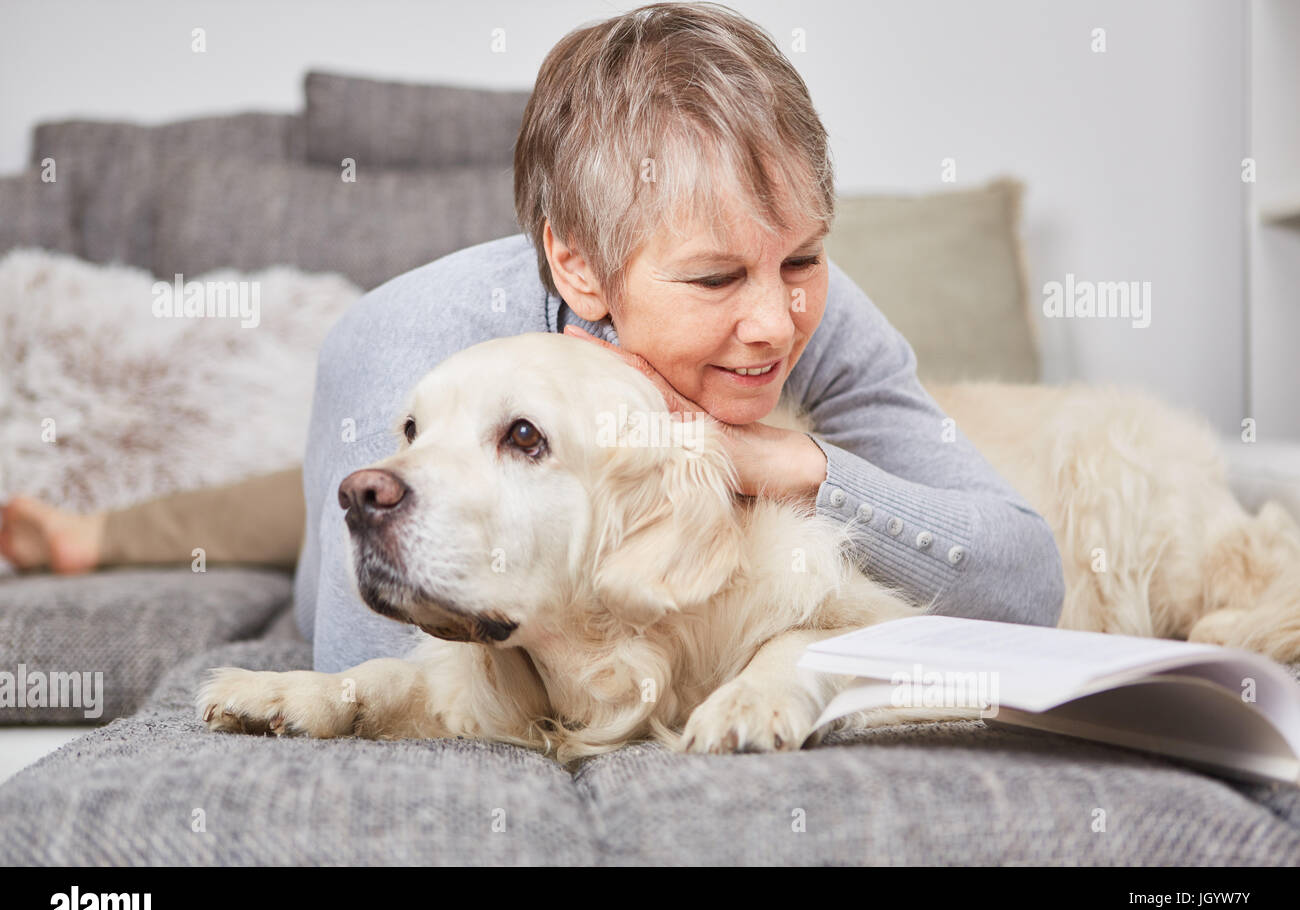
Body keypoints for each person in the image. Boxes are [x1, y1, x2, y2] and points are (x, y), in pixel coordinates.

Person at [1, 3, 1064, 674]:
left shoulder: (805, 311)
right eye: (712, 277)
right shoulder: (419, 344)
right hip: (385, 459)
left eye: (800, 258)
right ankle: (99, 534)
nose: (772, 321)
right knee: (330, 493)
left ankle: (90, 534)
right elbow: (362, 659)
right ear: (578, 269)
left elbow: (1023, 581)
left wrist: (790, 462)